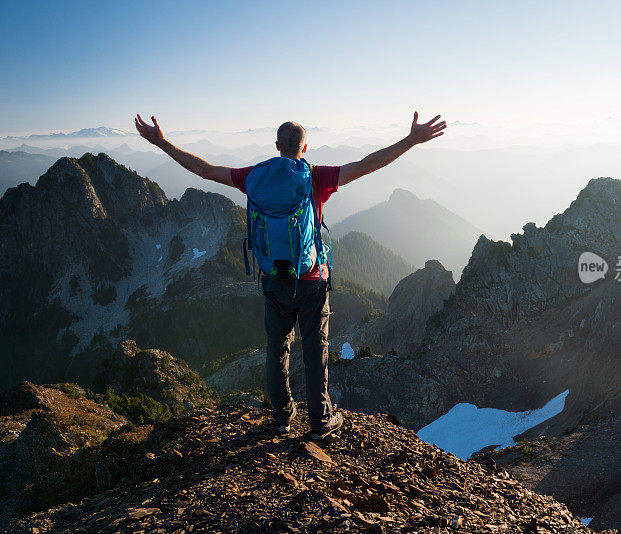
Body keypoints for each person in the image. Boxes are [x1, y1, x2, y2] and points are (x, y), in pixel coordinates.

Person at [135, 112, 447, 439]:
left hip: (273, 279)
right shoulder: (317, 177)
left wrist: (162, 142)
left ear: (276, 146)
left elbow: (205, 170)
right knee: (315, 350)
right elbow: (367, 164)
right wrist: (411, 140)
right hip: (311, 280)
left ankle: (282, 417)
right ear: (305, 148)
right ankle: (320, 422)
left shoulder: (254, 176)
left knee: (277, 348)